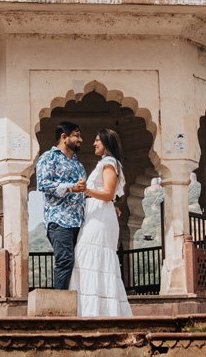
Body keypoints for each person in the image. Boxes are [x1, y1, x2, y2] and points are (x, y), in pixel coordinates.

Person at [70, 128, 133, 317]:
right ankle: (96, 311)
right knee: (90, 258)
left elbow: (108, 194)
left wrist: (86, 190)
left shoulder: (108, 163)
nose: (94, 143)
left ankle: (97, 312)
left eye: (98, 140)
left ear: (106, 142)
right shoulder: (108, 163)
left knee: (90, 257)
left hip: (99, 218)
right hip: (98, 215)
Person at [35, 120, 86, 290]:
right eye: (77, 135)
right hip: (59, 221)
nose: (81, 140)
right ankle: (60, 307)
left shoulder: (78, 165)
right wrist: (70, 188)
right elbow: (43, 184)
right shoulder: (48, 158)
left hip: (79, 222)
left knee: (80, 263)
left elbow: (85, 192)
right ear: (64, 137)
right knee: (65, 260)